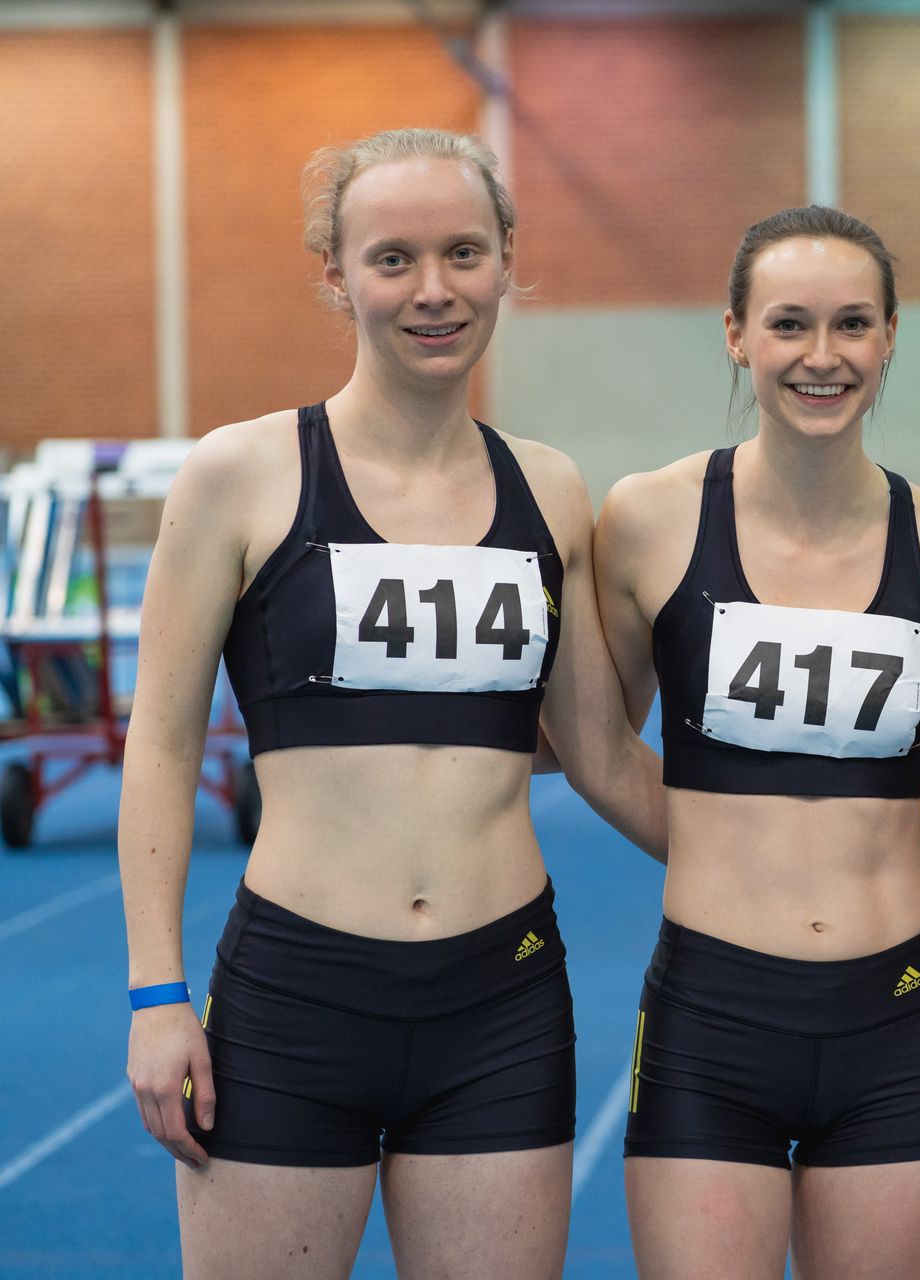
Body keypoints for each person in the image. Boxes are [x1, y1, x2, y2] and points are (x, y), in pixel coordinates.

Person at [119, 128, 662, 1279]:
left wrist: (822, 858)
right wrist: (157, 992)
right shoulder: (241, 474)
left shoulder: (550, 488)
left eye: (464, 252)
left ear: (507, 260)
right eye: (393, 258)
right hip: (296, 997)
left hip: (501, 1002)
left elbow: (600, 754)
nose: (433, 290)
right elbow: (161, 747)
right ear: (336, 271)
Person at [594, 205, 920, 1280]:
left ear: (889, 337)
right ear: (735, 334)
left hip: (899, 1019)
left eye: (851, 325)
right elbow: (598, 747)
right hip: (710, 1013)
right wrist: (728, 849)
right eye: (788, 325)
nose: (821, 357)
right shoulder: (651, 520)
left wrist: (859, 852)